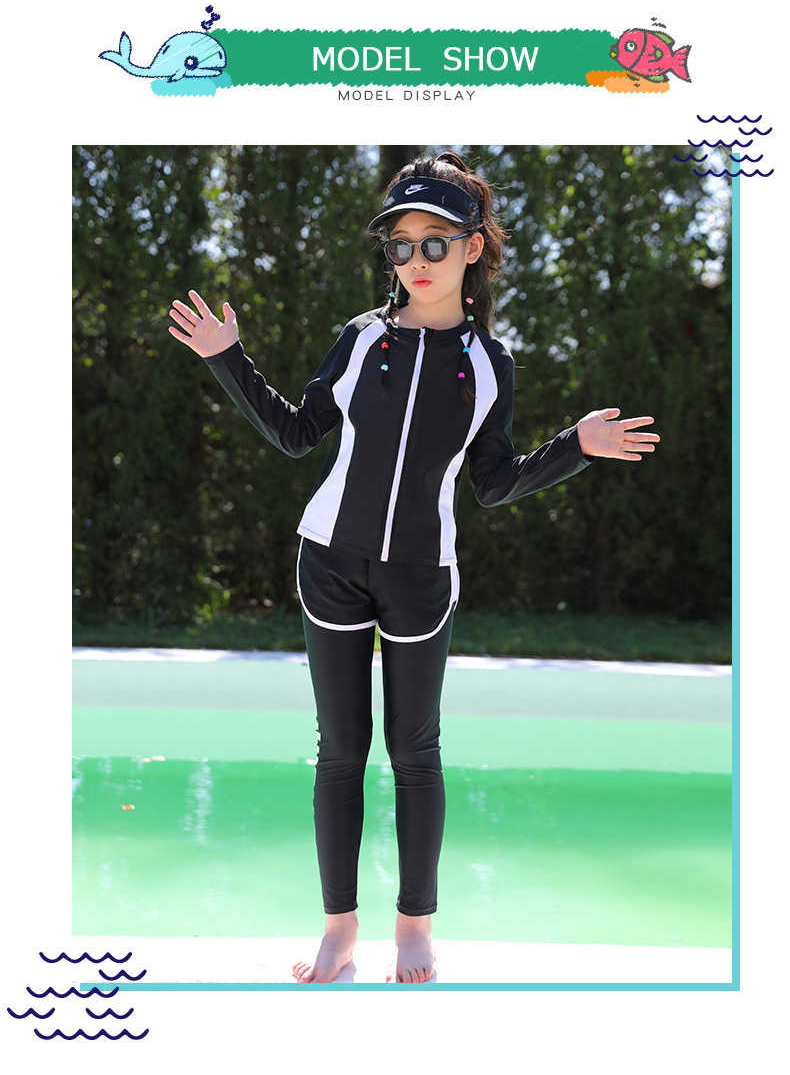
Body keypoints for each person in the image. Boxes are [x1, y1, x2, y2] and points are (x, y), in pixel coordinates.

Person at [168, 150, 659, 984]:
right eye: (401, 244)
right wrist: (229, 356)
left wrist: (575, 447)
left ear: (474, 247)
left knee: (414, 751)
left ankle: (414, 929)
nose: (416, 260)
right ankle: (338, 930)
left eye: (435, 242)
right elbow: (296, 433)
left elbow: (494, 483)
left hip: (421, 576)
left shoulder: (491, 364)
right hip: (330, 562)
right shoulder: (361, 338)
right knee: (340, 750)